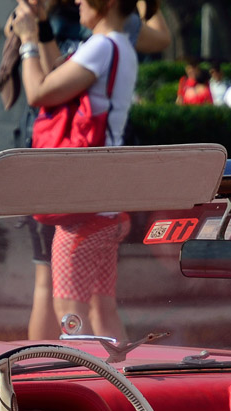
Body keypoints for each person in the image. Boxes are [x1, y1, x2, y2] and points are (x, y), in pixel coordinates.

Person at [13, 0, 140, 343]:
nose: (78, 1)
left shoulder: (101, 47)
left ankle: (82, 376)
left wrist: (27, 41)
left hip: (82, 209)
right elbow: (59, 75)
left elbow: (39, 92)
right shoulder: (121, 47)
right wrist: (43, 28)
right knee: (103, 310)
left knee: (70, 318)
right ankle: (120, 373)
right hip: (108, 205)